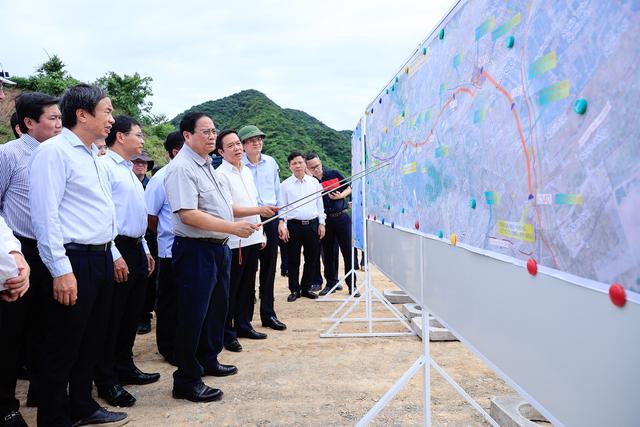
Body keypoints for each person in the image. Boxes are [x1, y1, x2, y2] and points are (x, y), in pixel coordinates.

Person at [29, 84, 128, 426]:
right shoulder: (54, 152)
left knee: (91, 340)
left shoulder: (93, 154)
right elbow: (46, 216)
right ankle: (54, 417)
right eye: (107, 111)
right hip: (73, 260)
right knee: (63, 343)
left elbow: (99, 212)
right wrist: (60, 270)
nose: (112, 119)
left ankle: (83, 406)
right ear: (83, 114)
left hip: (100, 257)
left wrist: (113, 252)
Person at [164, 112, 258, 403]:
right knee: (193, 314)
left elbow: (221, 206)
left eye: (213, 130)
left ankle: (208, 359)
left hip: (217, 248)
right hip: (196, 250)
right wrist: (232, 228)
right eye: (204, 131)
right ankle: (187, 379)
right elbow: (188, 214)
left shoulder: (207, 165)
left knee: (216, 308)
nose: (210, 135)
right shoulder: (182, 168)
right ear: (187, 136)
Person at [0, 91, 62, 425]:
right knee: (11, 332)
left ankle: (42, 392)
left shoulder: (59, 155)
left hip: (51, 249)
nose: (58, 123)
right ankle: (7, 405)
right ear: (28, 122)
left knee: (48, 327)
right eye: (52, 118)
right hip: (17, 251)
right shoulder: (8, 155)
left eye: (59, 117)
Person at [94, 115, 159, 409]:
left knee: (130, 314)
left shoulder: (129, 172)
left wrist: (144, 247)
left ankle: (125, 366)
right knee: (112, 317)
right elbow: (106, 217)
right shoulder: (105, 167)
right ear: (120, 137)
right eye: (138, 134)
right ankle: (107, 380)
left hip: (134, 246)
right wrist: (115, 253)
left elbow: (136, 215)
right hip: (115, 247)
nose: (142, 140)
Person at [215, 130, 278, 353]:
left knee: (248, 286)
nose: (237, 148)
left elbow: (251, 203)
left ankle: (244, 325)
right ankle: (228, 333)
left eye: (238, 144)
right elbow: (228, 208)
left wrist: (260, 234)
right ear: (221, 151)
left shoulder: (246, 172)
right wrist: (259, 209)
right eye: (230, 146)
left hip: (252, 236)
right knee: (232, 288)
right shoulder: (221, 174)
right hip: (235, 240)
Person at [239, 125, 287, 331]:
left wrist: (282, 220)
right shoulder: (238, 165)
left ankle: (268, 314)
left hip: (272, 218)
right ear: (242, 145)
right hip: (249, 218)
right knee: (248, 270)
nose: (256, 142)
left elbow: (278, 191)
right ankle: (244, 319)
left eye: (259, 139)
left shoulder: (271, 163)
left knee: (268, 270)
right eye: (251, 140)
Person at [145, 131, 183, 364]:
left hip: (190, 248)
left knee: (185, 300)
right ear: (177, 152)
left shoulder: (191, 173)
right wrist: (165, 232)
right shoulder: (161, 178)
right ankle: (168, 347)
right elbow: (150, 217)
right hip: (169, 249)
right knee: (168, 301)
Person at [305, 153, 357, 296]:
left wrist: (342, 195)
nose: (316, 169)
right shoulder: (310, 182)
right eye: (312, 168)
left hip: (342, 217)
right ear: (307, 168)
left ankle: (352, 285)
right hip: (325, 221)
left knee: (348, 252)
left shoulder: (334, 173)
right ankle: (331, 283)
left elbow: (350, 186)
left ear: (321, 162)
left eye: (317, 166)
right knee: (328, 254)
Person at [278, 151, 326, 302]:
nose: (297, 165)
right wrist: (283, 225)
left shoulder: (314, 183)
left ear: (305, 164)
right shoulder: (284, 185)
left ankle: (306, 288)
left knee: (311, 258)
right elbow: (282, 208)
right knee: (293, 260)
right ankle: (294, 290)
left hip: (312, 225)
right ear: (289, 166)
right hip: (293, 226)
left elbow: (320, 205)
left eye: (300, 162)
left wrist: (322, 223)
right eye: (294, 163)